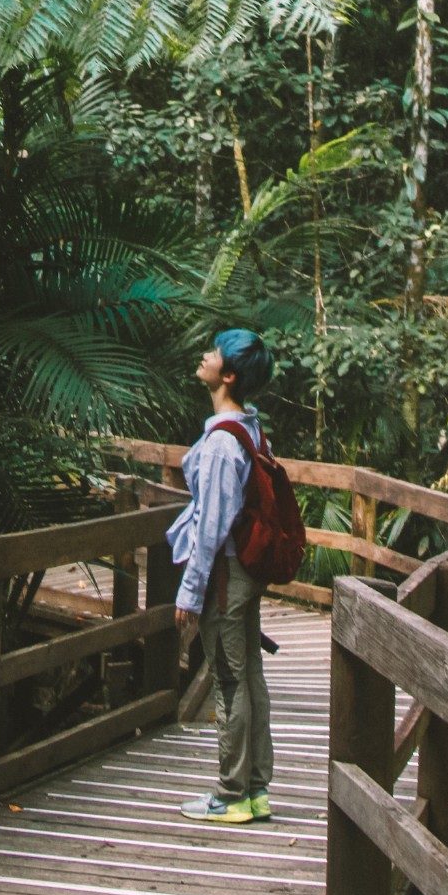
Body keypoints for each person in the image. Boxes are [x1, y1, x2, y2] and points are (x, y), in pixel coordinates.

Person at [167, 327, 275, 824]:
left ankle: (232, 794)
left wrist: (190, 594)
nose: (204, 357)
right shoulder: (249, 429)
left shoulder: (220, 446)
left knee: (229, 681)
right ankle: (255, 789)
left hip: (226, 573)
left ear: (227, 375)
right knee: (249, 673)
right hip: (246, 572)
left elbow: (210, 529)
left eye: (213, 353)